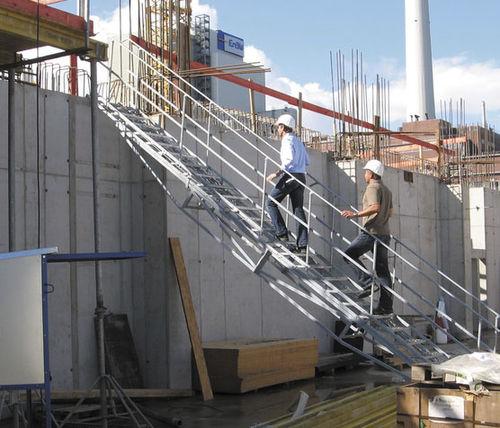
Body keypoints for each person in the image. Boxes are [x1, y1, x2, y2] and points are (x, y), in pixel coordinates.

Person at [341, 160, 394, 315]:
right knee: (383, 271)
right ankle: (386, 307)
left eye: (366, 172)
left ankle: (367, 283)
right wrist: (382, 221)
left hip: (371, 232)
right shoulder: (387, 190)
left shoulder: (372, 187)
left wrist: (355, 214)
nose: (364, 174)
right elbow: (390, 212)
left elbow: (375, 207)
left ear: (371, 173)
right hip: (384, 233)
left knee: (349, 254)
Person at [266, 114, 309, 253]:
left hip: (290, 175)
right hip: (301, 177)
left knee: (271, 202)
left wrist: (276, 174)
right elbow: (307, 161)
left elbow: (289, 160)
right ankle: (302, 246)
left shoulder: (287, 140)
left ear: (283, 127)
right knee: (298, 209)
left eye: (278, 126)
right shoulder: (298, 141)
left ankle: (282, 233)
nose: (277, 130)